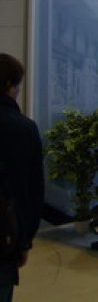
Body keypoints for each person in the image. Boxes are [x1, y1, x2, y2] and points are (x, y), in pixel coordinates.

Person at [0, 54, 44, 302]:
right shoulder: (22, 128)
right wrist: (24, 241)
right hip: (4, 236)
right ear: (9, 84)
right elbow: (30, 191)